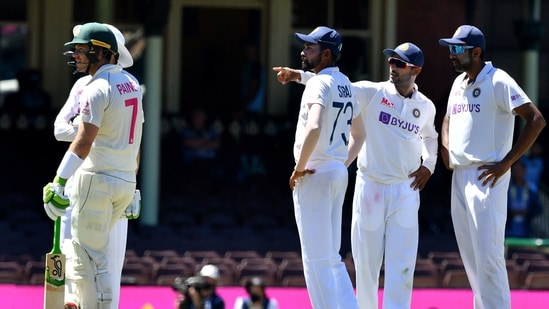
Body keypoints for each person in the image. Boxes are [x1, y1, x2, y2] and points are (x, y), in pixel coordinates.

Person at [275, 41, 438, 309]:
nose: (392, 67)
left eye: (399, 63)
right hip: (371, 185)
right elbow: (334, 88)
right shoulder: (372, 92)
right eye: (390, 62)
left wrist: (429, 165)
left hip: (406, 189)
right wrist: (296, 75)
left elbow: (430, 138)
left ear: (416, 70)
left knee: (403, 266)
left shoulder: (426, 106)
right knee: (366, 265)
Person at [438, 25, 545, 309]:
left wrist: (506, 163)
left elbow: (536, 119)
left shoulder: (499, 80)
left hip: (487, 174)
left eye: (457, 49)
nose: (451, 54)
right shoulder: (458, 82)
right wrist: (446, 149)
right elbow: (447, 119)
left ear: (476, 52)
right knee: (472, 259)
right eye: (451, 48)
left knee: (488, 256)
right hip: (460, 175)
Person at [42, 22, 144, 309]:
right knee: (95, 260)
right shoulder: (131, 85)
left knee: (88, 258)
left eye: (82, 48)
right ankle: (77, 300)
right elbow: (60, 129)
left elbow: (83, 140)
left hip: (94, 179)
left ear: (104, 52)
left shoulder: (98, 87)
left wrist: (58, 181)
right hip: (119, 181)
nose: (76, 54)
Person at [279, 26, 365, 309]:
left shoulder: (319, 84)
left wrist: (298, 168)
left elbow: (314, 126)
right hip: (336, 171)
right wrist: (340, 163)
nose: (303, 52)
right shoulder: (346, 84)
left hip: (314, 173)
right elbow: (360, 134)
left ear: (326, 54)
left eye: (310, 48)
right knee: (331, 257)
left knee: (315, 259)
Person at [506, 160, 542, 238]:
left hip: (526, 230)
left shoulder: (531, 188)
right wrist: (510, 212)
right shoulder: (506, 188)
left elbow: (538, 208)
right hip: (508, 231)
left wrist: (527, 212)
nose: (517, 173)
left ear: (524, 171)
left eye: (519, 170)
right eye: (515, 170)